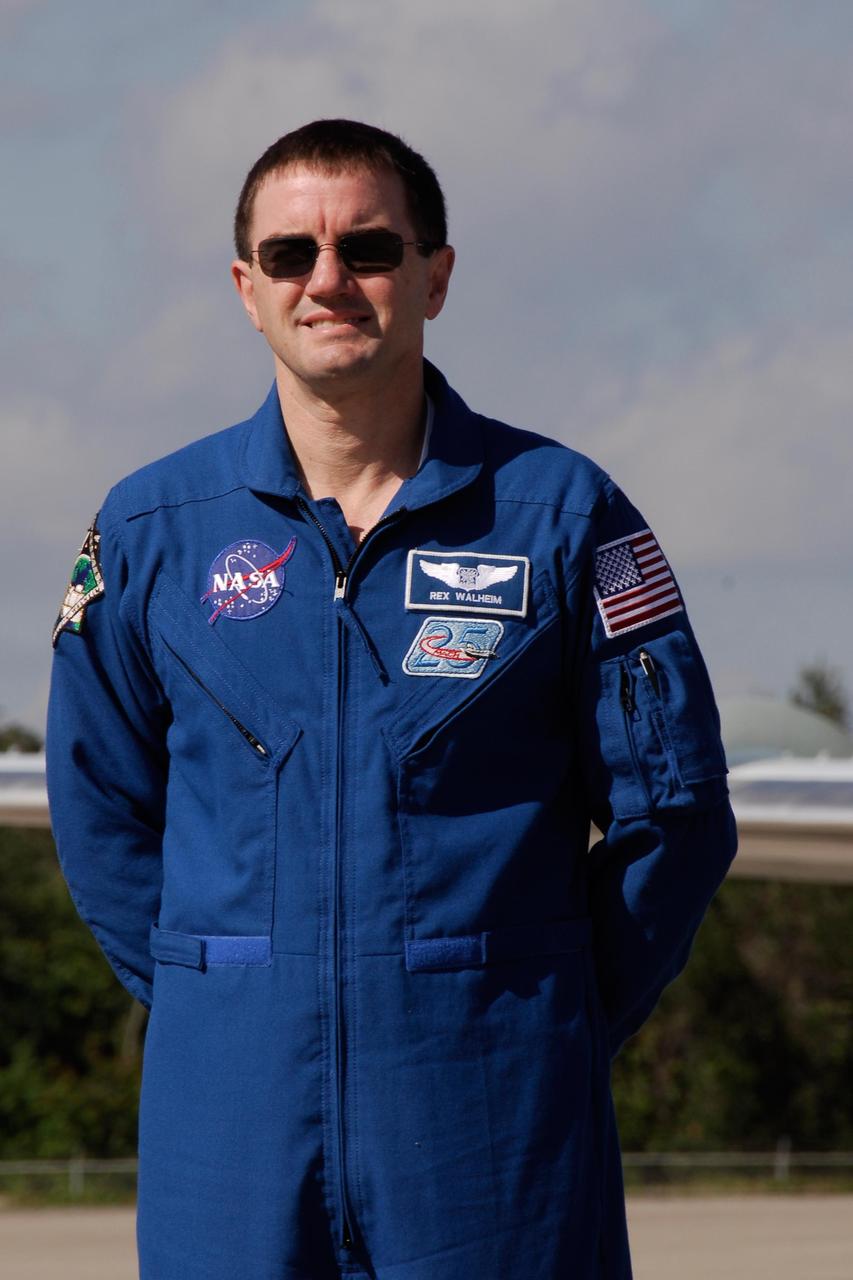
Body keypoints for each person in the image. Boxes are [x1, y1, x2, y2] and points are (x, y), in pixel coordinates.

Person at [47, 118, 737, 1280]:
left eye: (367, 248)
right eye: (289, 256)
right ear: (245, 287)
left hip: (494, 1128)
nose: (328, 280)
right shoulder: (149, 533)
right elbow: (99, 807)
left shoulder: (565, 516)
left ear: (435, 273)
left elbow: (675, 814)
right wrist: (223, 1005)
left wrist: (536, 1012)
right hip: (229, 1132)